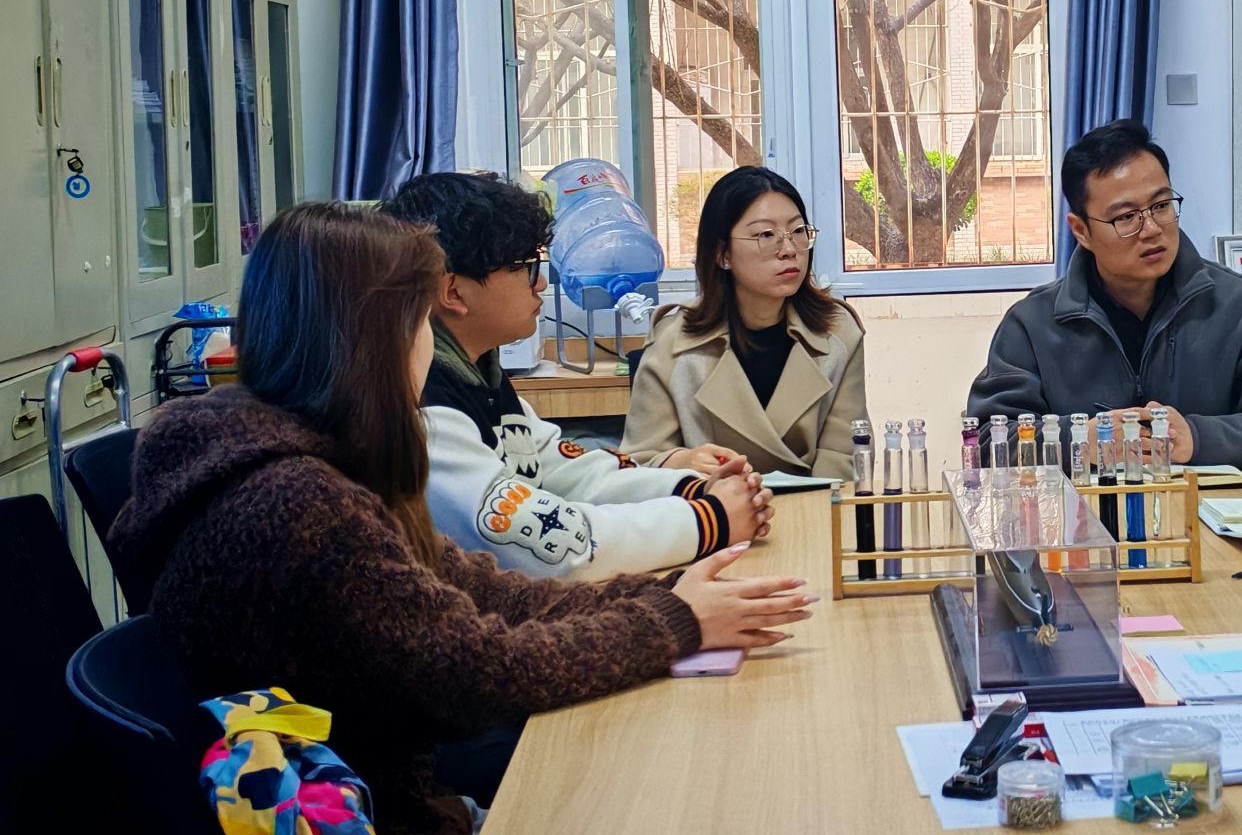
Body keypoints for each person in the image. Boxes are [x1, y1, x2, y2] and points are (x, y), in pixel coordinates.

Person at [109, 204, 813, 835]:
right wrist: (673, 622)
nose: (430, 338)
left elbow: (479, 590)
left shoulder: (311, 454)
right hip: (386, 809)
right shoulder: (299, 503)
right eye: (420, 320)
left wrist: (667, 598)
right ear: (373, 337)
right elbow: (481, 669)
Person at [384, 171, 770, 580]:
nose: (540, 283)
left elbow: (569, 473)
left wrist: (692, 489)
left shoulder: (479, 375)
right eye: (525, 267)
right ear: (453, 292)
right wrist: (710, 520)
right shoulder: (422, 409)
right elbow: (551, 550)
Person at [967, 119, 1242, 467]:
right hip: (1085, 510)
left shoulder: (1239, 306)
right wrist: (1077, 440)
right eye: (1126, 217)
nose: (1152, 229)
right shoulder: (1033, 325)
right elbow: (986, 441)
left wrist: (1198, 438)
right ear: (1081, 231)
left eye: (1161, 206)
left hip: (1207, 508)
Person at [621, 166, 869, 478]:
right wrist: (683, 462)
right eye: (766, 235)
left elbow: (844, 457)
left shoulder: (837, 334)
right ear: (722, 254)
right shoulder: (672, 343)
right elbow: (638, 463)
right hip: (709, 506)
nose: (789, 250)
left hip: (811, 504)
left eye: (798, 232)